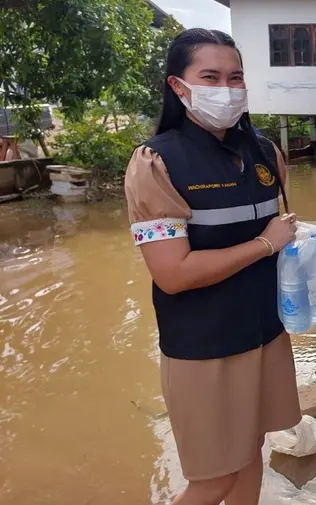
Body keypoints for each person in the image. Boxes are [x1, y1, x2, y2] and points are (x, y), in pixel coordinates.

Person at [124, 28, 302, 505]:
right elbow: (173, 273)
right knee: (214, 479)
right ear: (179, 87)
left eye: (235, 76)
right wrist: (266, 244)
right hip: (204, 348)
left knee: (251, 455)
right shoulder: (156, 162)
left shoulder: (266, 155)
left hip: (265, 335)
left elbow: (283, 236)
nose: (226, 88)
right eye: (210, 76)